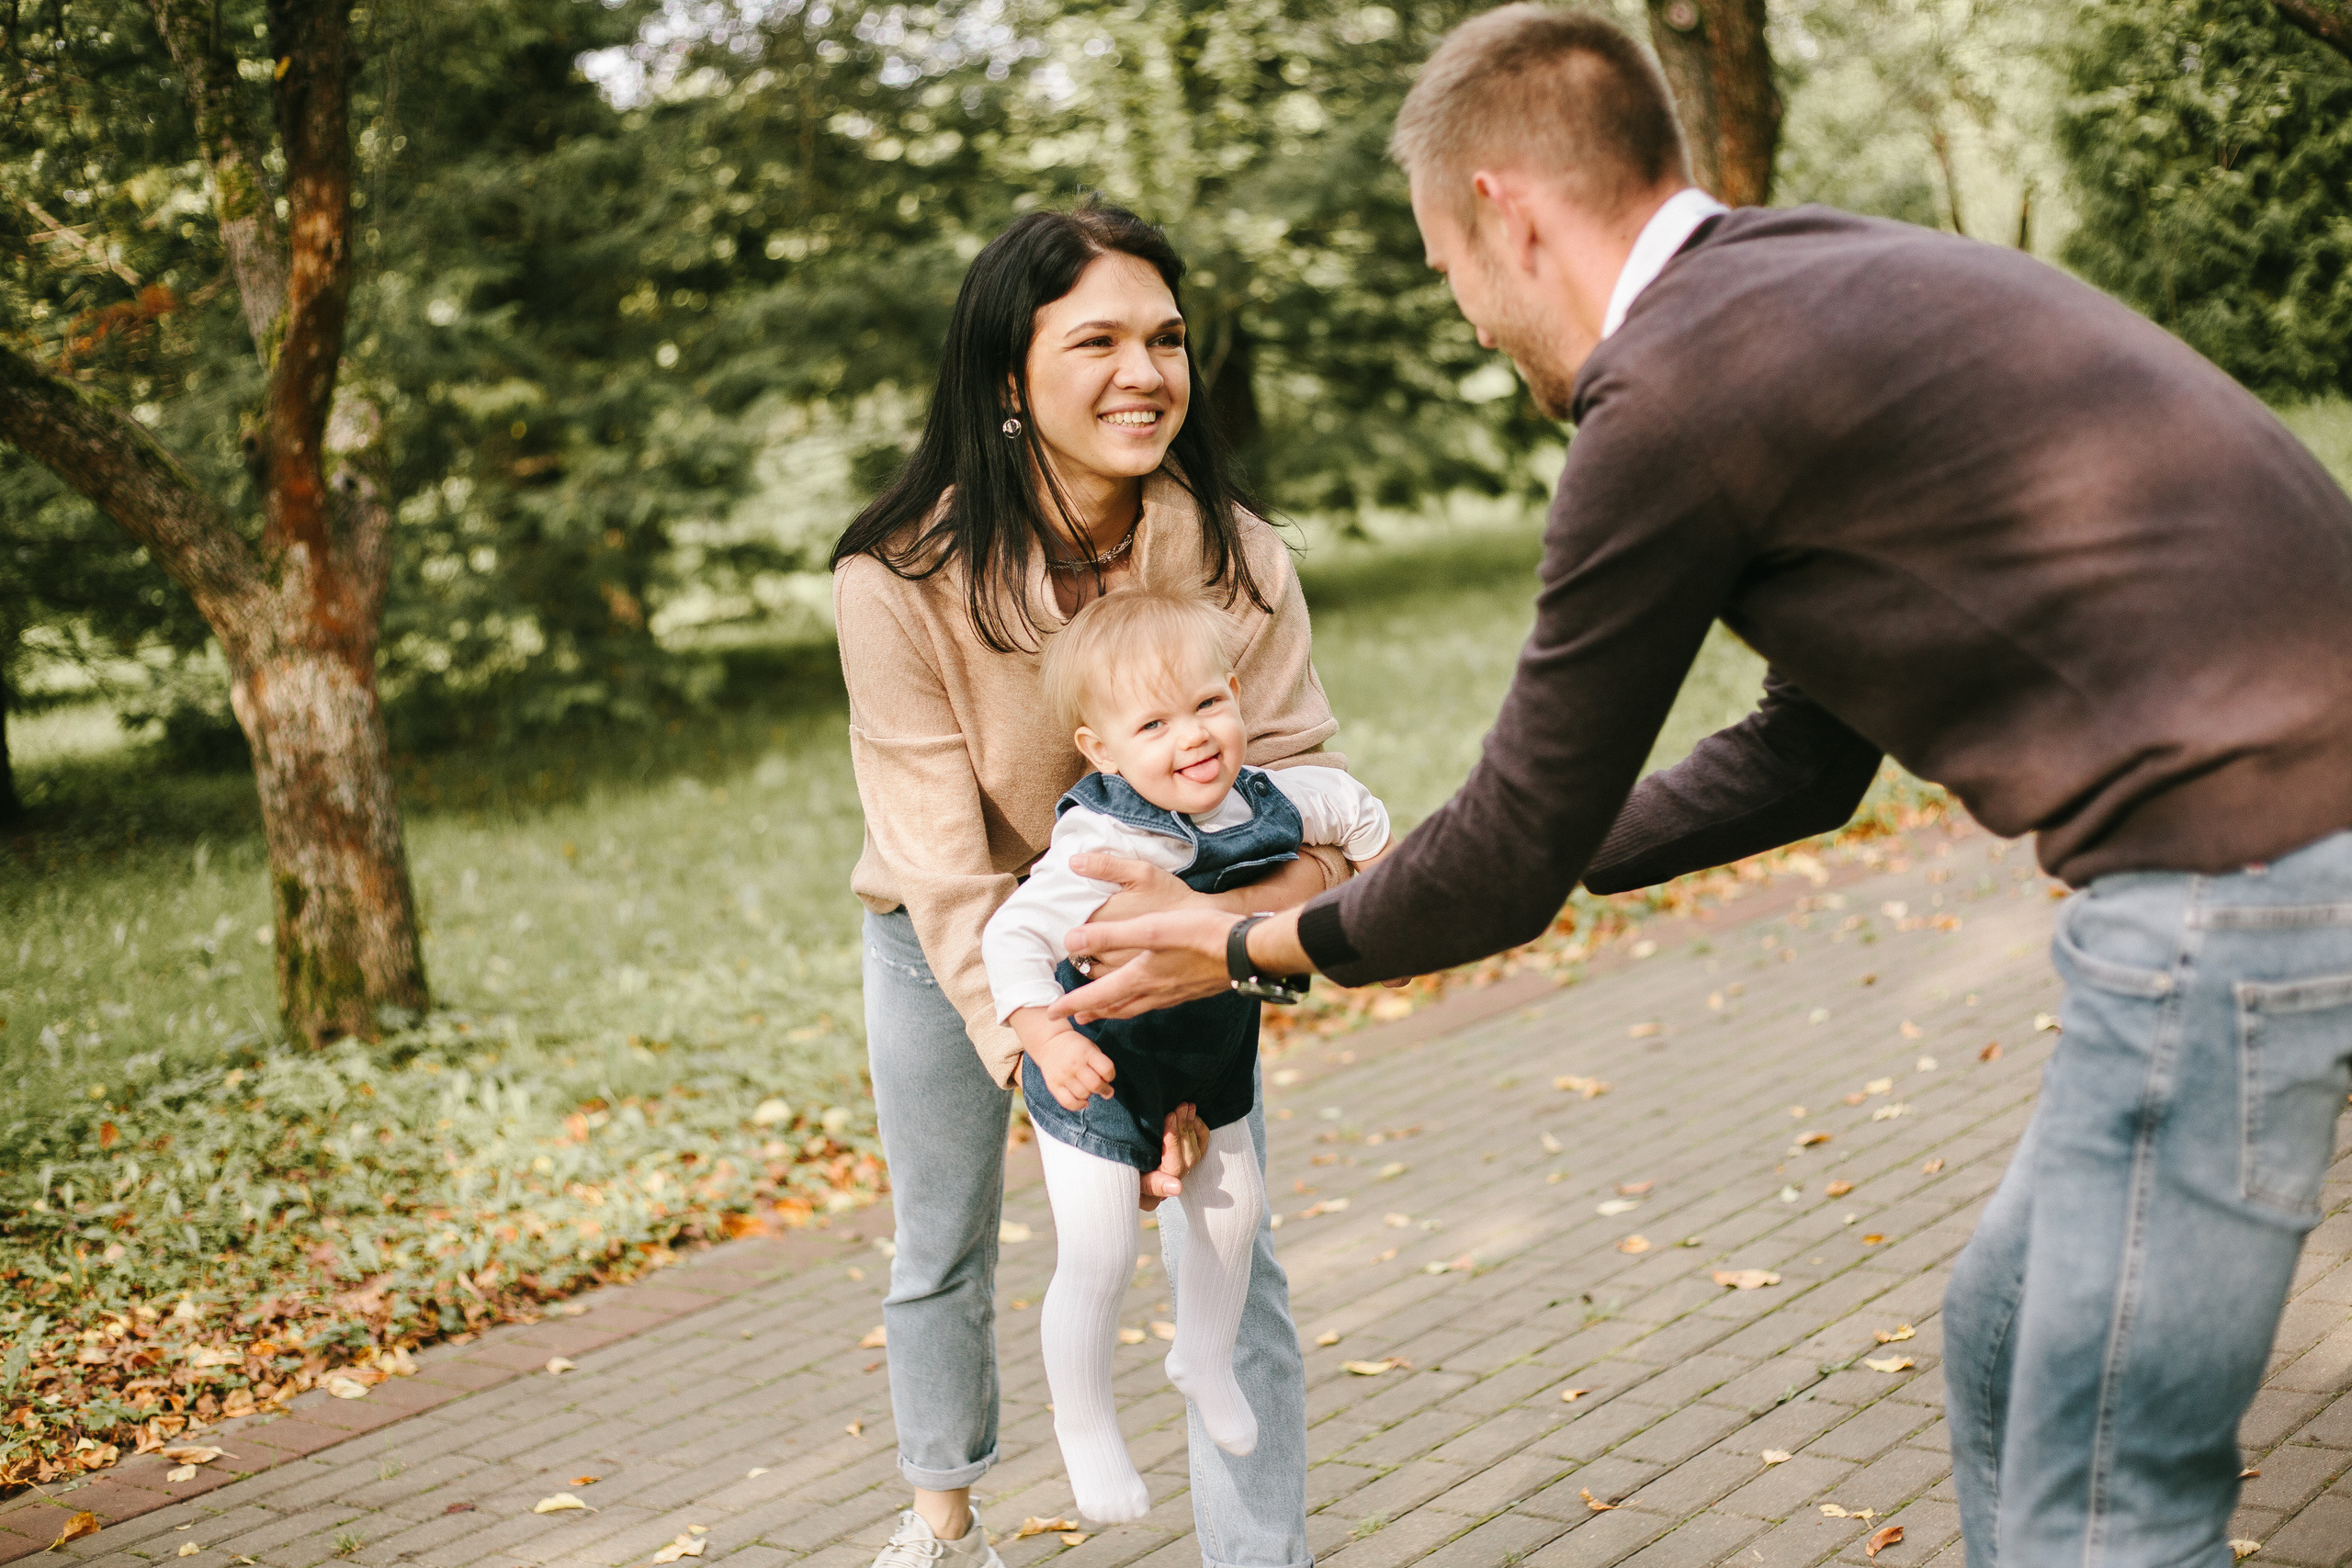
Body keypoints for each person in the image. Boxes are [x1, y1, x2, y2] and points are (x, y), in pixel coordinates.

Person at [1049, 8, 2352, 1567]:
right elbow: (1807, 754)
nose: (1467, 318)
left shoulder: (1674, 392)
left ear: (1503, 213)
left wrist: (1255, 938)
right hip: (2277, 859)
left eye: (1447, 270)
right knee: (2012, 1340)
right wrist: (1407, 874)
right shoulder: (1818, 287)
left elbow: (1520, 838)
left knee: (2104, 1497)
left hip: (2243, 882)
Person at [831, 201, 1349, 1568]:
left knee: (1233, 1255)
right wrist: (1052, 1046)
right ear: (1010, 377)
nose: (1147, 371)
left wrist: (1217, 951)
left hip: (1177, 930)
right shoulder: (898, 577)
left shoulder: (1237, 553)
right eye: (1099, 339)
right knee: (944, 1243)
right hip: (959, 945)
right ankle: (944, 1512)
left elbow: (1302, 792)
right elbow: (947, 870)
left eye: (1168, 337)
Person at [982, 587, 1390, 1524]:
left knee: (1234, 1217)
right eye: (1154, 722)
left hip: (1210, 1055)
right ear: (1102, 750)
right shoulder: (1099, 839)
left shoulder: (1279, 798)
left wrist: (1374, 909)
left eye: (1208, 704)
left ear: (1238, 695)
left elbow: (1362, 818)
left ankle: (1201, 1359)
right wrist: (1043, 1035)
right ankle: (1084, 1422)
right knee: (1099, 1250)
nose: (1193, 737)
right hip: (1098, 1065)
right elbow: (1009, 940)